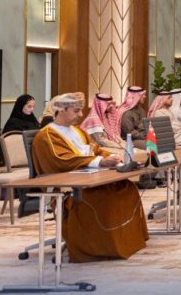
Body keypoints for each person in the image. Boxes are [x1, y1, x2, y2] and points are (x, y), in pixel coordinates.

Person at [30, 92, 148, 262]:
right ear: (61, 110)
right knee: (103, 197)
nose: (80, 115)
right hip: (68, 188)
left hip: (90, 179)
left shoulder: (78, 131)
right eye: (76, 111)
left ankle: (126, 243)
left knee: (126, 187)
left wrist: (112, 157)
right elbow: (62, 161)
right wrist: (100, 162)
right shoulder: (46, 136)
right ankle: (98, 247)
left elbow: (95, 149)